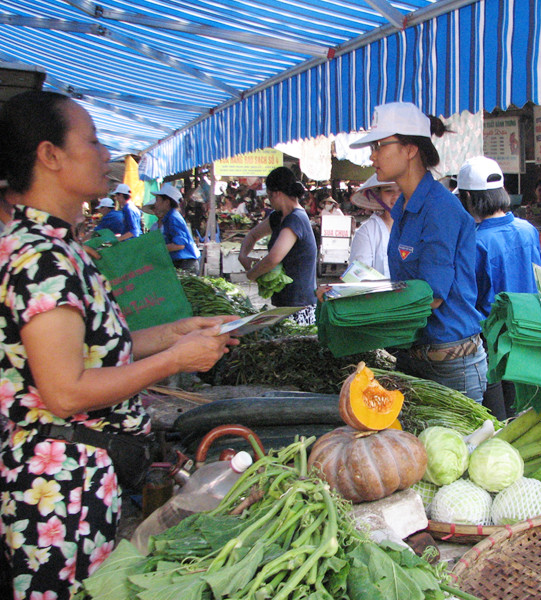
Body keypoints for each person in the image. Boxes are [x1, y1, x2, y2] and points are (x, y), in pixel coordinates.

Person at [0, 90, 238, 599]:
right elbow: (65, 391)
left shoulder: (61, 247)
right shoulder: (41, 259)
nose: (106, 153)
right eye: (93, 140)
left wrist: (178, 332)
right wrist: (175, 360)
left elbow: (93, 350)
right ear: (50, 155)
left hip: (79, 482)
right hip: (56, 494)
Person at [349, 102, 488, 402]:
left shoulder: (440, 209)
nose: (372, 155)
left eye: (380, 145)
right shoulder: (402, 209)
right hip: (415, 359)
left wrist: (357, 307)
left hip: (451, 369)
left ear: (410, 149)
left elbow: (431, 296)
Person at [457, 156, 541, 419]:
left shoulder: (477, 241)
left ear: (469, 197)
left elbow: (471, 297)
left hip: (492, 342)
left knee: (497, 418)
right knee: (519, 412)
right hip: (526, 336)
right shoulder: (528, 230)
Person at [238, 166, 318, 324]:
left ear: (276, 193)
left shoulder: (296, 219)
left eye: (269, 196)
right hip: (283, 301)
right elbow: (253, 235)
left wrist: (251, 274)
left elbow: (274, 258)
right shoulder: (278, 217)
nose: (269, 201)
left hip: (298, 304)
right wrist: (243, 255)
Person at [348, 174, 402, 277]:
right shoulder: (367, 231)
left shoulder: (420, 227)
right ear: (379, 195)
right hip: (380, 293)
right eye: (388, 190)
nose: (396, 196)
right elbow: (357, 276)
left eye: (401, 190)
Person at [151, 182, 202, 274]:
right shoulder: (168, 218)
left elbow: (179, 245)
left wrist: (156, 249)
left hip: (186, 264)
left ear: (166, 202)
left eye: (157, 200)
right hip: (179, 262)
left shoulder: (173, 218)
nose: (155, 204)